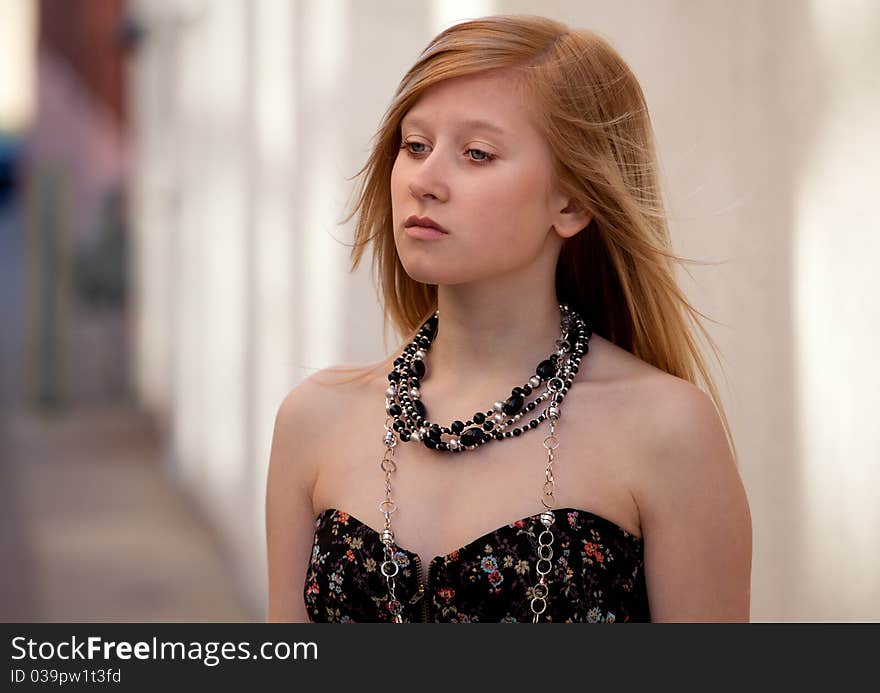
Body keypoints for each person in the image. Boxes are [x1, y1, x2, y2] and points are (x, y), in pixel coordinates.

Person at [266, 14, 752, 623]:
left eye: (476, 153)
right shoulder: (313, 420)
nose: (425, 180)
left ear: (571, 200)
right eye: (415, 146)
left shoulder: (669, 432)